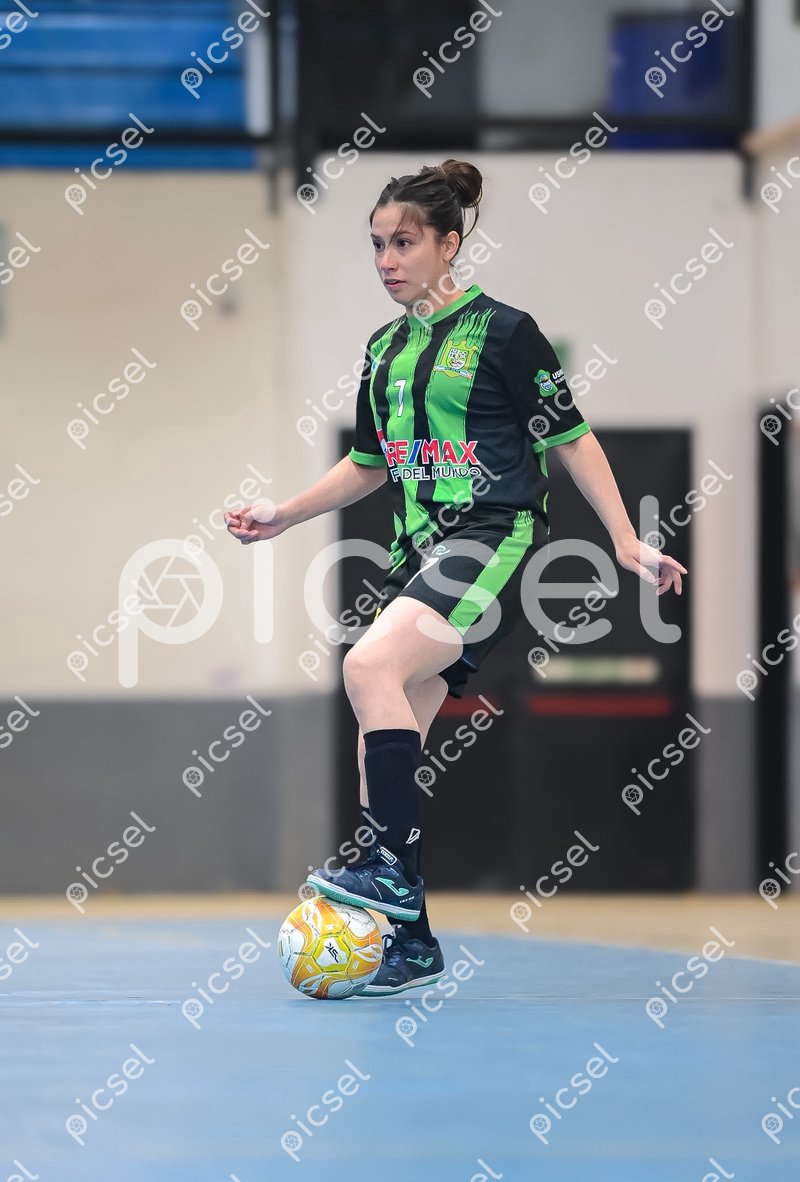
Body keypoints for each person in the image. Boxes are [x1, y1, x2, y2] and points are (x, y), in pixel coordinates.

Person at [225, 158, 687, 996]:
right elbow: (369, 463)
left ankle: (388, 878)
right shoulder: (384, 349)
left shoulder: (505, 333)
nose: (387, 260)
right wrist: (284, 513)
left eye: (404, 243)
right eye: (376, 245)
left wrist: (624, 539)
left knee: (368, 667)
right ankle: (412, 942)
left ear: (449, 243)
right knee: (384, 729)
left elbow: (571, 437)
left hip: (492, 539)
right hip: (422, 557)